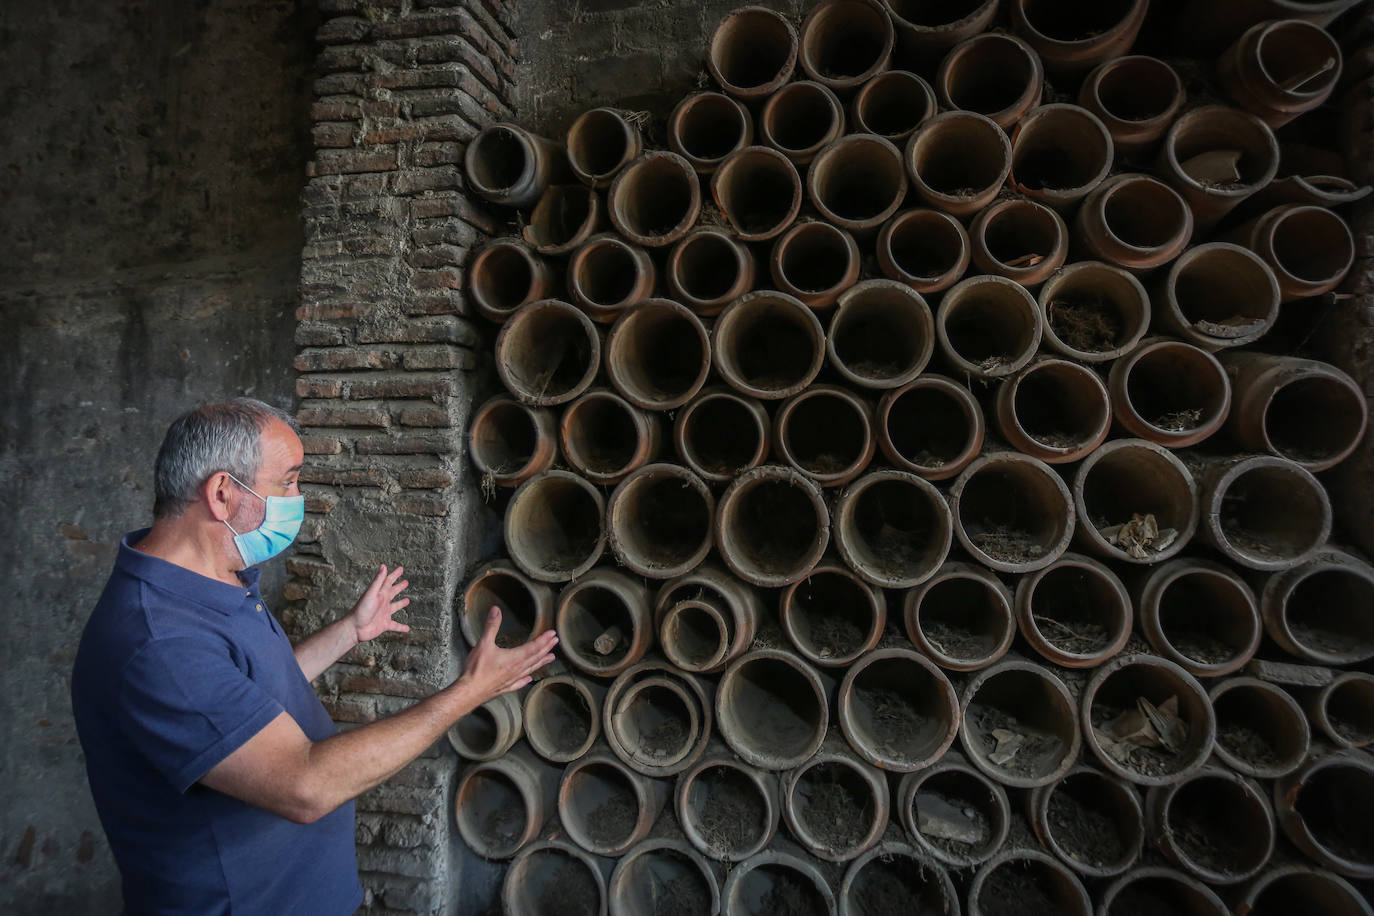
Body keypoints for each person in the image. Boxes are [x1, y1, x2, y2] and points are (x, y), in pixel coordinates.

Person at [71, 398, 558, 914]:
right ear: (221, 493)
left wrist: (349, 631)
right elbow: (304, 786)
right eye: (287, 481)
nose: (297, 498)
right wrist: (468, 693)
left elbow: (245, 700)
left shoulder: (210, 581)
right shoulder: (161, 642)